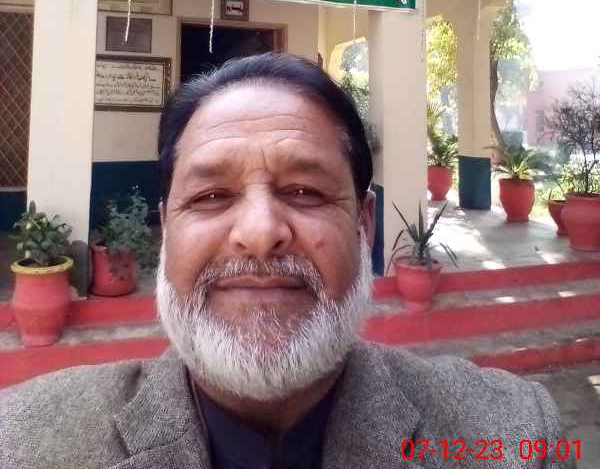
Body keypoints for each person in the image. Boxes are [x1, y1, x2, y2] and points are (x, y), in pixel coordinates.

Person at [0, 53, 567, 469]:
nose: (259, 233)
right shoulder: (23, 442)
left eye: (304, 192)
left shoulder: (512, 435)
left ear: (364, 224)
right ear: (167, 228)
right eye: (211, 196)